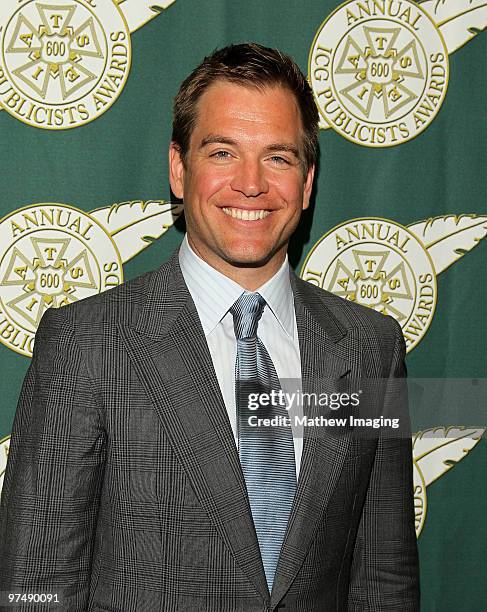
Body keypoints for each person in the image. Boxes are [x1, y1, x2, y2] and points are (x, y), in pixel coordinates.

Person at [0, 43, 419, 611]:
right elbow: (35, 584)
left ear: (308, 179)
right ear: (179, 169)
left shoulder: (370, 346)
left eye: (279, 157)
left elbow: (384, 579)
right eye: (223, 152)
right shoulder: (87, 342)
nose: (251, 184)